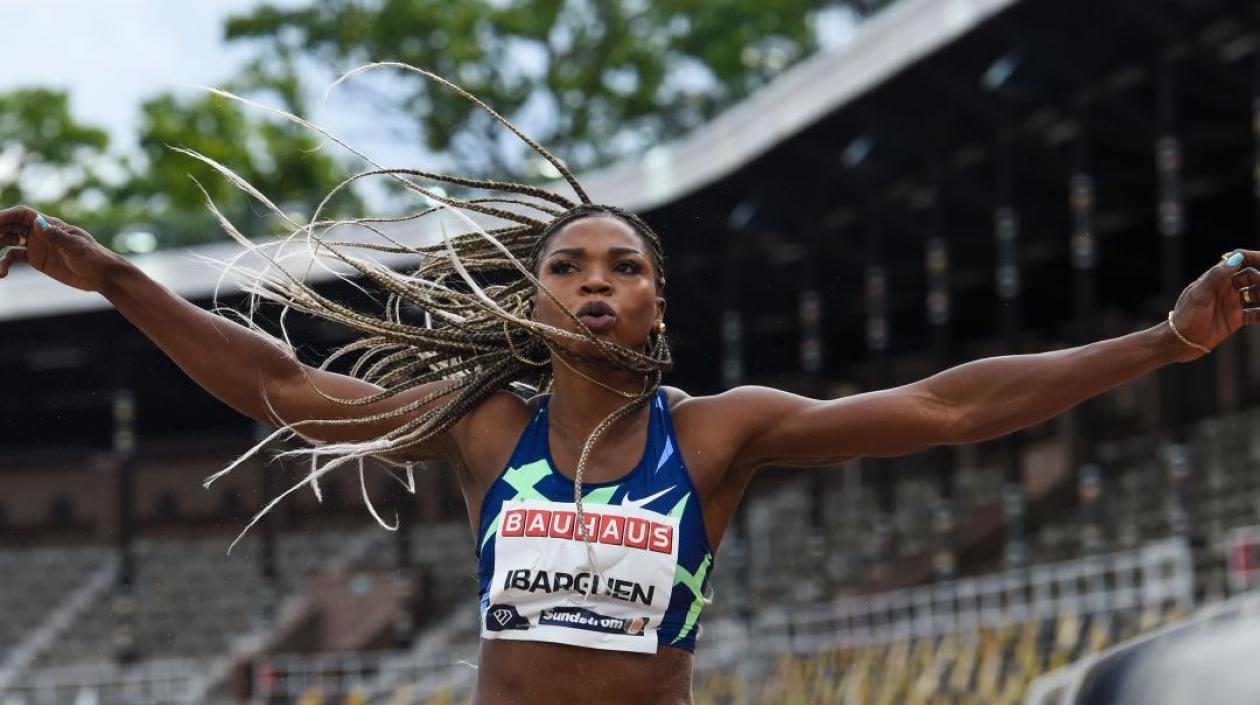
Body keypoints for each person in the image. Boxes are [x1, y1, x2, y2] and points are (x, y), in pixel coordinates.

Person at [2, 69, 1258, 705]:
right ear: (536, 299)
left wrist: (1161, 343)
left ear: (658, 301)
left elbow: (944, 409)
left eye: (623, 266)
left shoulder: (719, 437)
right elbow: (280, 384)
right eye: (567, 266)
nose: (594, 280)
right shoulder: (480, 429)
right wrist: (112, 274)